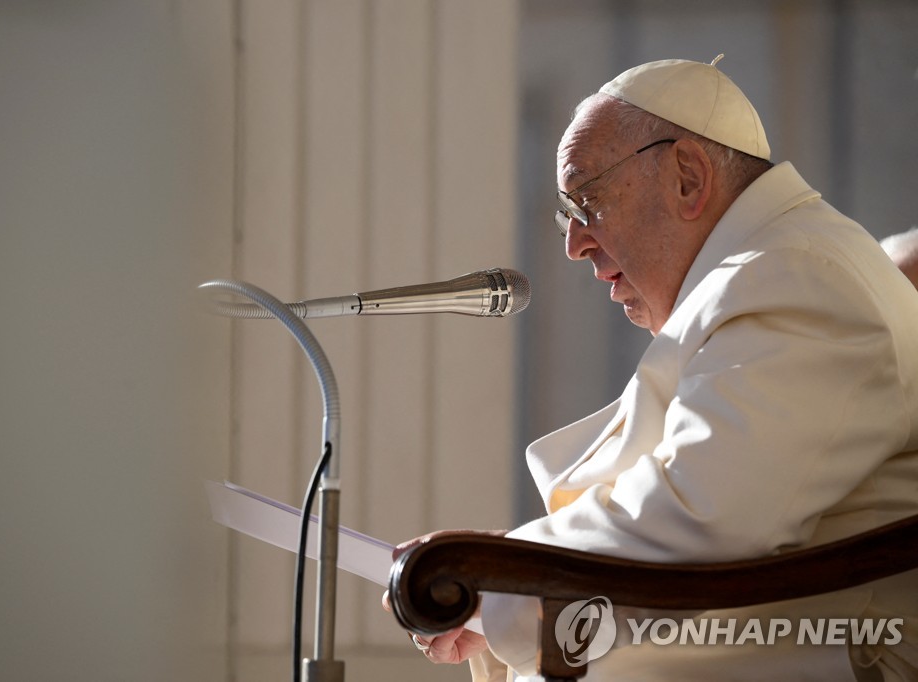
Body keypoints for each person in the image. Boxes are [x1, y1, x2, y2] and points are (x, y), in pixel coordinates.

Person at [392, 57, 918, 681]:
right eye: (567, 215)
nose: (574, 244)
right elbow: (705, 500)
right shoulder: (773, 267)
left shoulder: (795, 276)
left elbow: (701, 520)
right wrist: (503, 572)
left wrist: (504, 577)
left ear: (688, 178)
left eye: (587, 200)